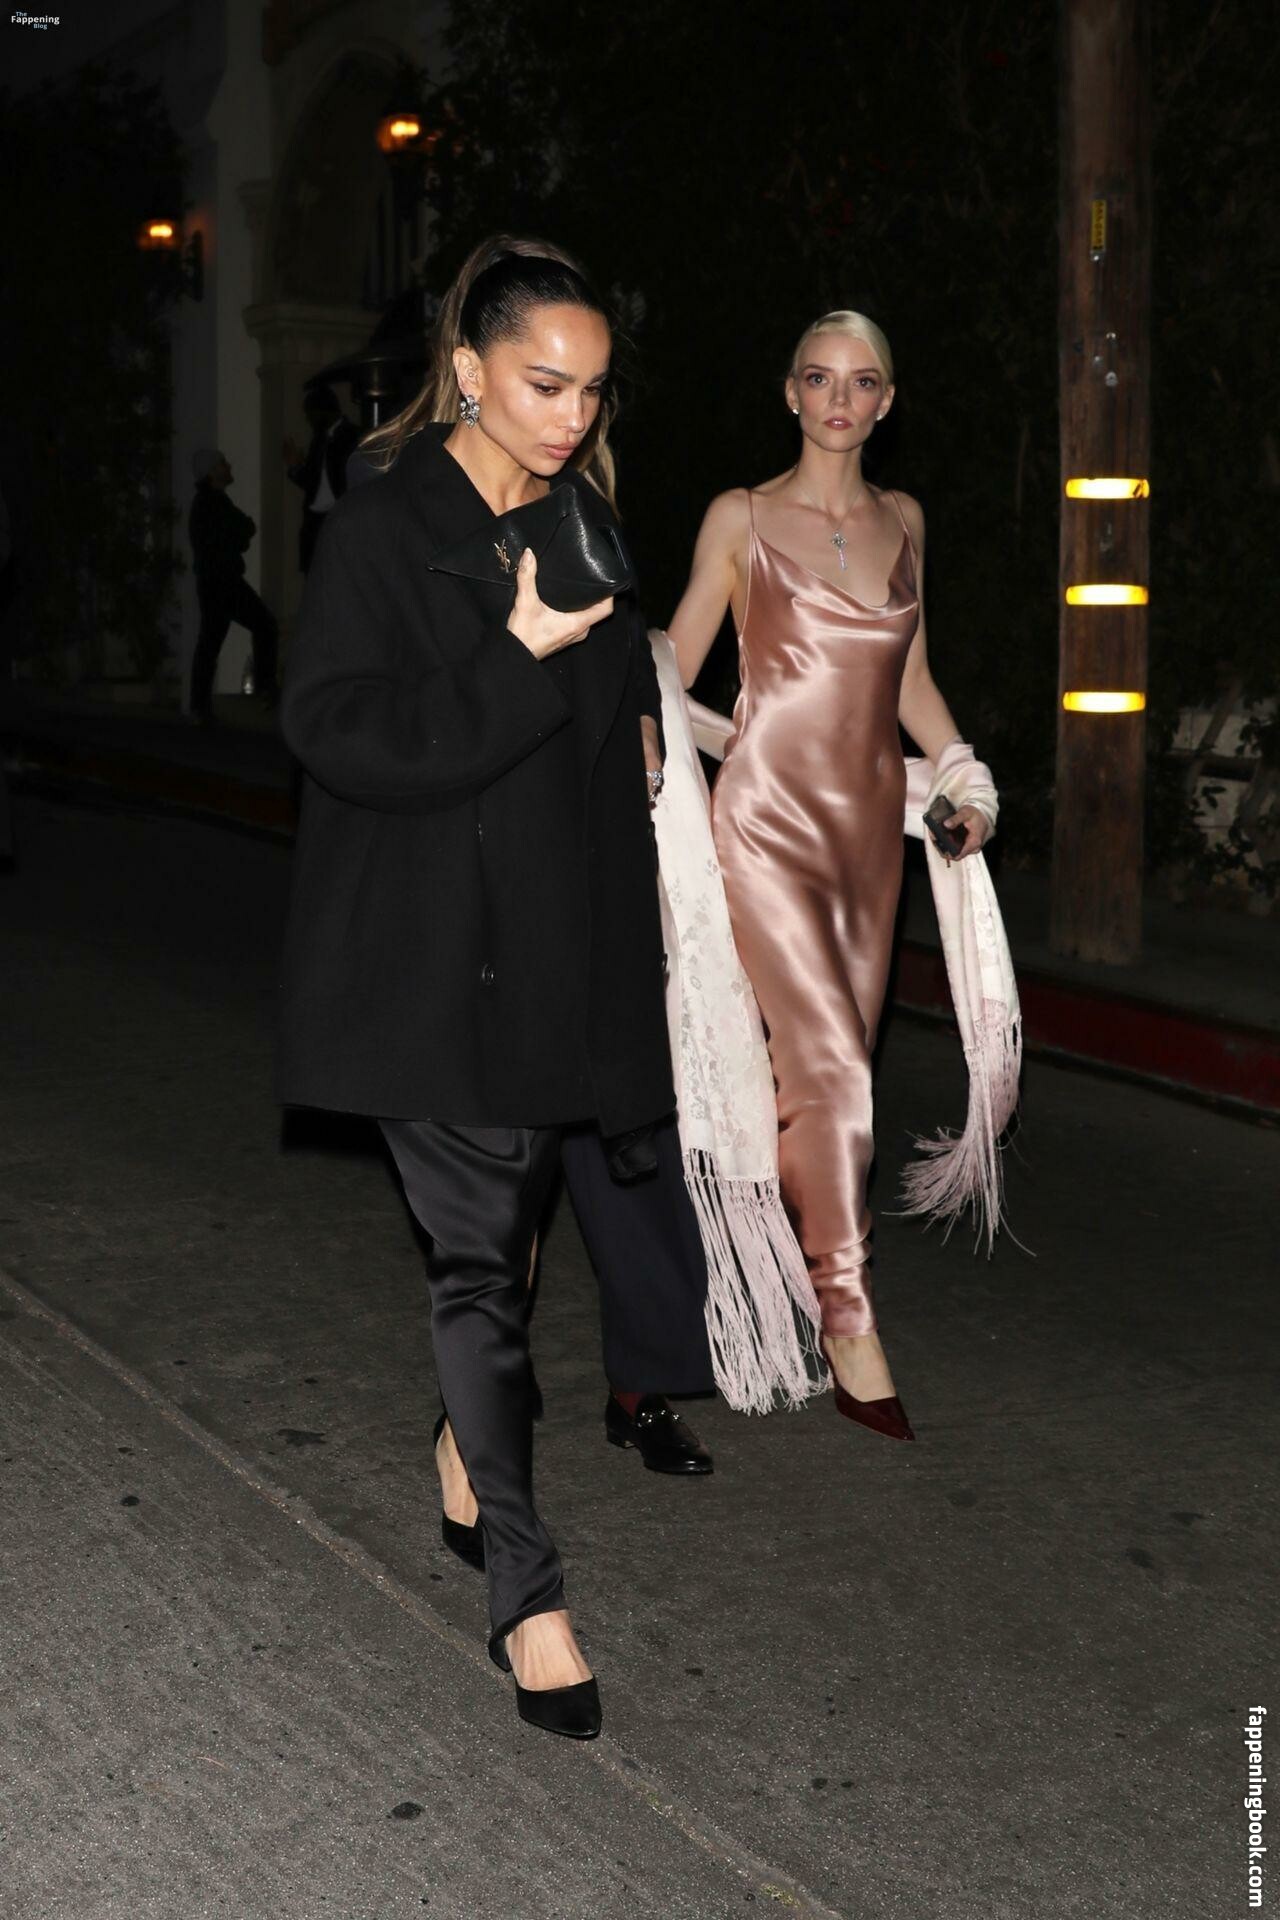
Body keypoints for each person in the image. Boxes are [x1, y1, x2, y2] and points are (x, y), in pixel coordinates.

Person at [279, 247, 689, 1740]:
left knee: (510, 1245)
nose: (573, 415)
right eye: (543, 383)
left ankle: (466, 1431)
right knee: (475, 1263)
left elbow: (612, 712)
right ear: (467, 369)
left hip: (554, 954)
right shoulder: (382, 529)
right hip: (425, 958)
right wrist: (515, 660)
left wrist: (636, 719)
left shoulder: (585, 520)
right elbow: (337, 734)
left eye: (592, 390)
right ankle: (528, 1594)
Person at [670, 310, 1001, 1443]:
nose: (839, 400)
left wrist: (962, 775)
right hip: (764, 826)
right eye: (818, 379)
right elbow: (672, 670)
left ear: (886, 401)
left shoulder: (904, 521)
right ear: (790, 393)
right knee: (835, 1079)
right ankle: (847, 1317)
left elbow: (908, 682)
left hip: (867, 840)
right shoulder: (741, 516)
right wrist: (724, 744)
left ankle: (756, 1269)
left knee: (820, 1077)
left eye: (861, 382)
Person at [188, 450, 279, 723]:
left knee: (210, 642)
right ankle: (265, 687)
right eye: (222, 464)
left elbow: (241, 531)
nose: (228, 466)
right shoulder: (213, 503)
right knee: (264, 626)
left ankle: (199, 705)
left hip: (214, 582)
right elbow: (243, 529)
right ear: (212, 472)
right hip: (223, 581)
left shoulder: (207, 503)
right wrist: (239, 535)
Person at [284, 386, 360, 575]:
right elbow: (313, 482)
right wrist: (295, 467)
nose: (309, 420)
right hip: (317, 520)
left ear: (323, 410)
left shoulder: (351, 436)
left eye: (311, 414)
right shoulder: (319, 440)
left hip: (339, 516)